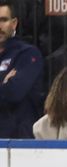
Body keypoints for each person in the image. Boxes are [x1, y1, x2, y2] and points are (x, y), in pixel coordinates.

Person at [0, 0, 44, 138]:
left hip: (19, 141)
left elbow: (13, 93)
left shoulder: (28, 54)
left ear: (14, 23)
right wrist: (3, 83)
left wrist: (7, 87)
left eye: (3, 20)